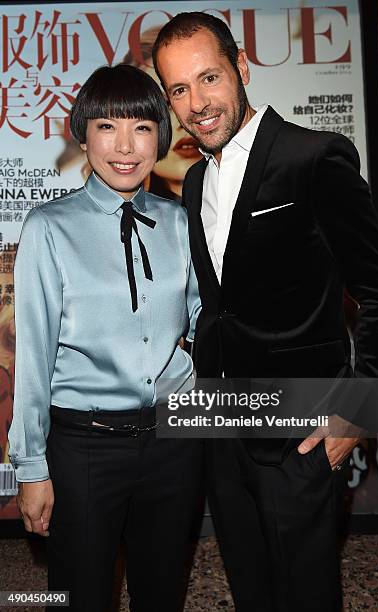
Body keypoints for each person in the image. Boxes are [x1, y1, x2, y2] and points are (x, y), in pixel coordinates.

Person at [152, 12, 378, 612]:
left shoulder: (315, 157)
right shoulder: (192, 183)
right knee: (250, 584)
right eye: (179, 90)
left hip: (301, 427)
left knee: (306, 589)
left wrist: (357, 412)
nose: (197, 103)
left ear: (240, 68)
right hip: (223, 420)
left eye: (208, 78)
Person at [8, 64, 204, 612]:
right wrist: (31, 467)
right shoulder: (49, 228)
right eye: (107, 127)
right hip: (84, 448)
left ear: (160, 139)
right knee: (80, 598)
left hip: (173, 445)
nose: (125, 145)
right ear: (83, 133)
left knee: (161, 593)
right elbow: (34, 358)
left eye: (142, 128)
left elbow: (204, 324)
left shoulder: (180, 222)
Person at [56, 26, 202, 201]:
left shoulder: (178, 219)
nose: (182, 121)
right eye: (163, 106)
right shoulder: (52, 221)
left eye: (184, 98)